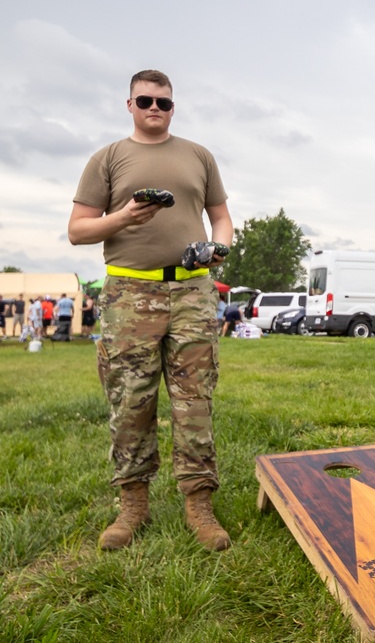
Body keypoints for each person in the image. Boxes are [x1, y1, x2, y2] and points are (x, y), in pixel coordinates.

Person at [68, 69, 234, 552]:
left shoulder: (199, 156)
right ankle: (132, 505)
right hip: (129, 294)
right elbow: (78, 229)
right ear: (130, 105)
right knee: (130, 402)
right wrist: (124, 217)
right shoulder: (109, 158)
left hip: (191, 292)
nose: (154, 109)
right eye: (145, 101)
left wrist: (217, 249)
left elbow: (221, 217)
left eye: (163, 102)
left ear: (173, 107)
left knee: (194, 402)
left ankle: (199, 504)